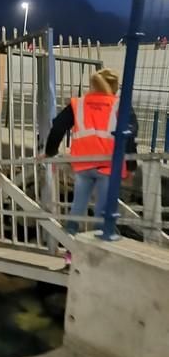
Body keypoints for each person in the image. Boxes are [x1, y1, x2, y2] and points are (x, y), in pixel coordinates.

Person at [45, 68, 137, 250]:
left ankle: (70, 253)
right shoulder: (121, 106)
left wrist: (50, 152)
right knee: (103, 214)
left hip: (83, 165)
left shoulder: (78, 104)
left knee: (77, 208)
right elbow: (129, 138)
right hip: (109, 166)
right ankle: (97, 255)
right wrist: (131, 167)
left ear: (93, 85)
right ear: (115, 88)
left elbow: (57, 128)